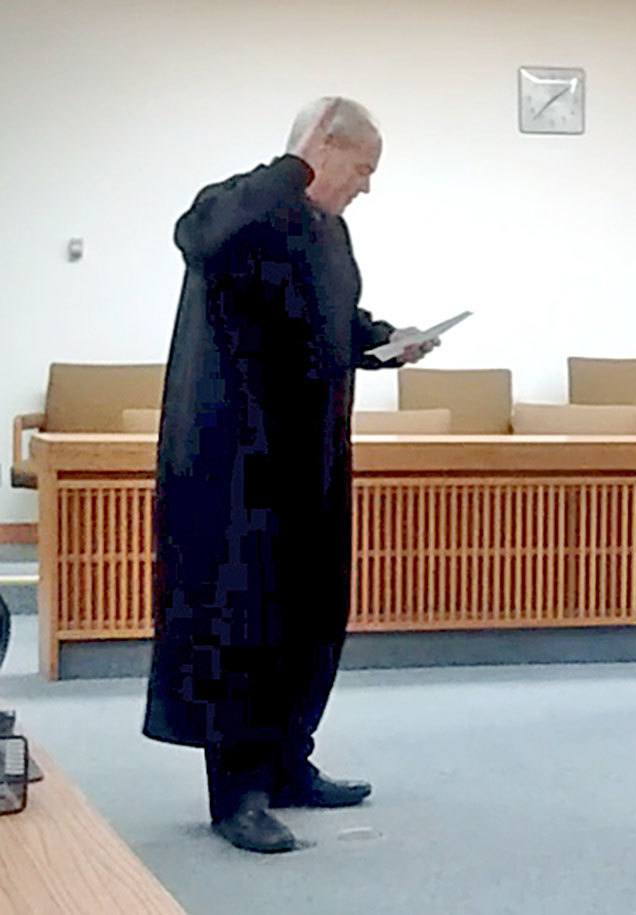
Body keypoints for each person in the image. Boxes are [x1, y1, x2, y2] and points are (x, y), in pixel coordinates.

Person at [143, 97, 437, 853]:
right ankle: (236, 792)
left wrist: (384, 342)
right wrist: (292, 165)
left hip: (312, 462)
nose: (367, 186)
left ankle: (286, 762)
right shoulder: (243, 209)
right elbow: (198, 236)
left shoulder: (329, 233)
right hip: (236, 466)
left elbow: (334, 319)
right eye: (361, 168)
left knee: (307, 618)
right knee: (241, 623)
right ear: (320, 148)